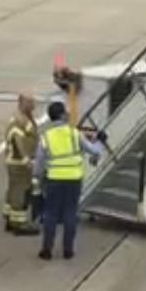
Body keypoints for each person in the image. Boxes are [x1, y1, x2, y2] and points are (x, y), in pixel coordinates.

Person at [34, 101, 103, 261]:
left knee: (50, 214)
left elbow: (39, 163)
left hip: (54, 180)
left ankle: (47, 250)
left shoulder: (46, 137)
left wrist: (37, 178)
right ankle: (68, 250)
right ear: (63, 115)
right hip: (73, 179)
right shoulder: (74, 133)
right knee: (70, 214)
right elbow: (93, 150)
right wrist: (100, 141)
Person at [3, 93, 40, 236]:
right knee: (21, 190)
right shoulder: (20, 121)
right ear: (22, 103)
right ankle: (18, 223)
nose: (33, 105)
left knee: (13, 189)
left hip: (16, 161)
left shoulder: (25, 118)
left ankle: (9, 216)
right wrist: (26, 159)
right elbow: (18, 140)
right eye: (30, 102)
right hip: (19, 162)